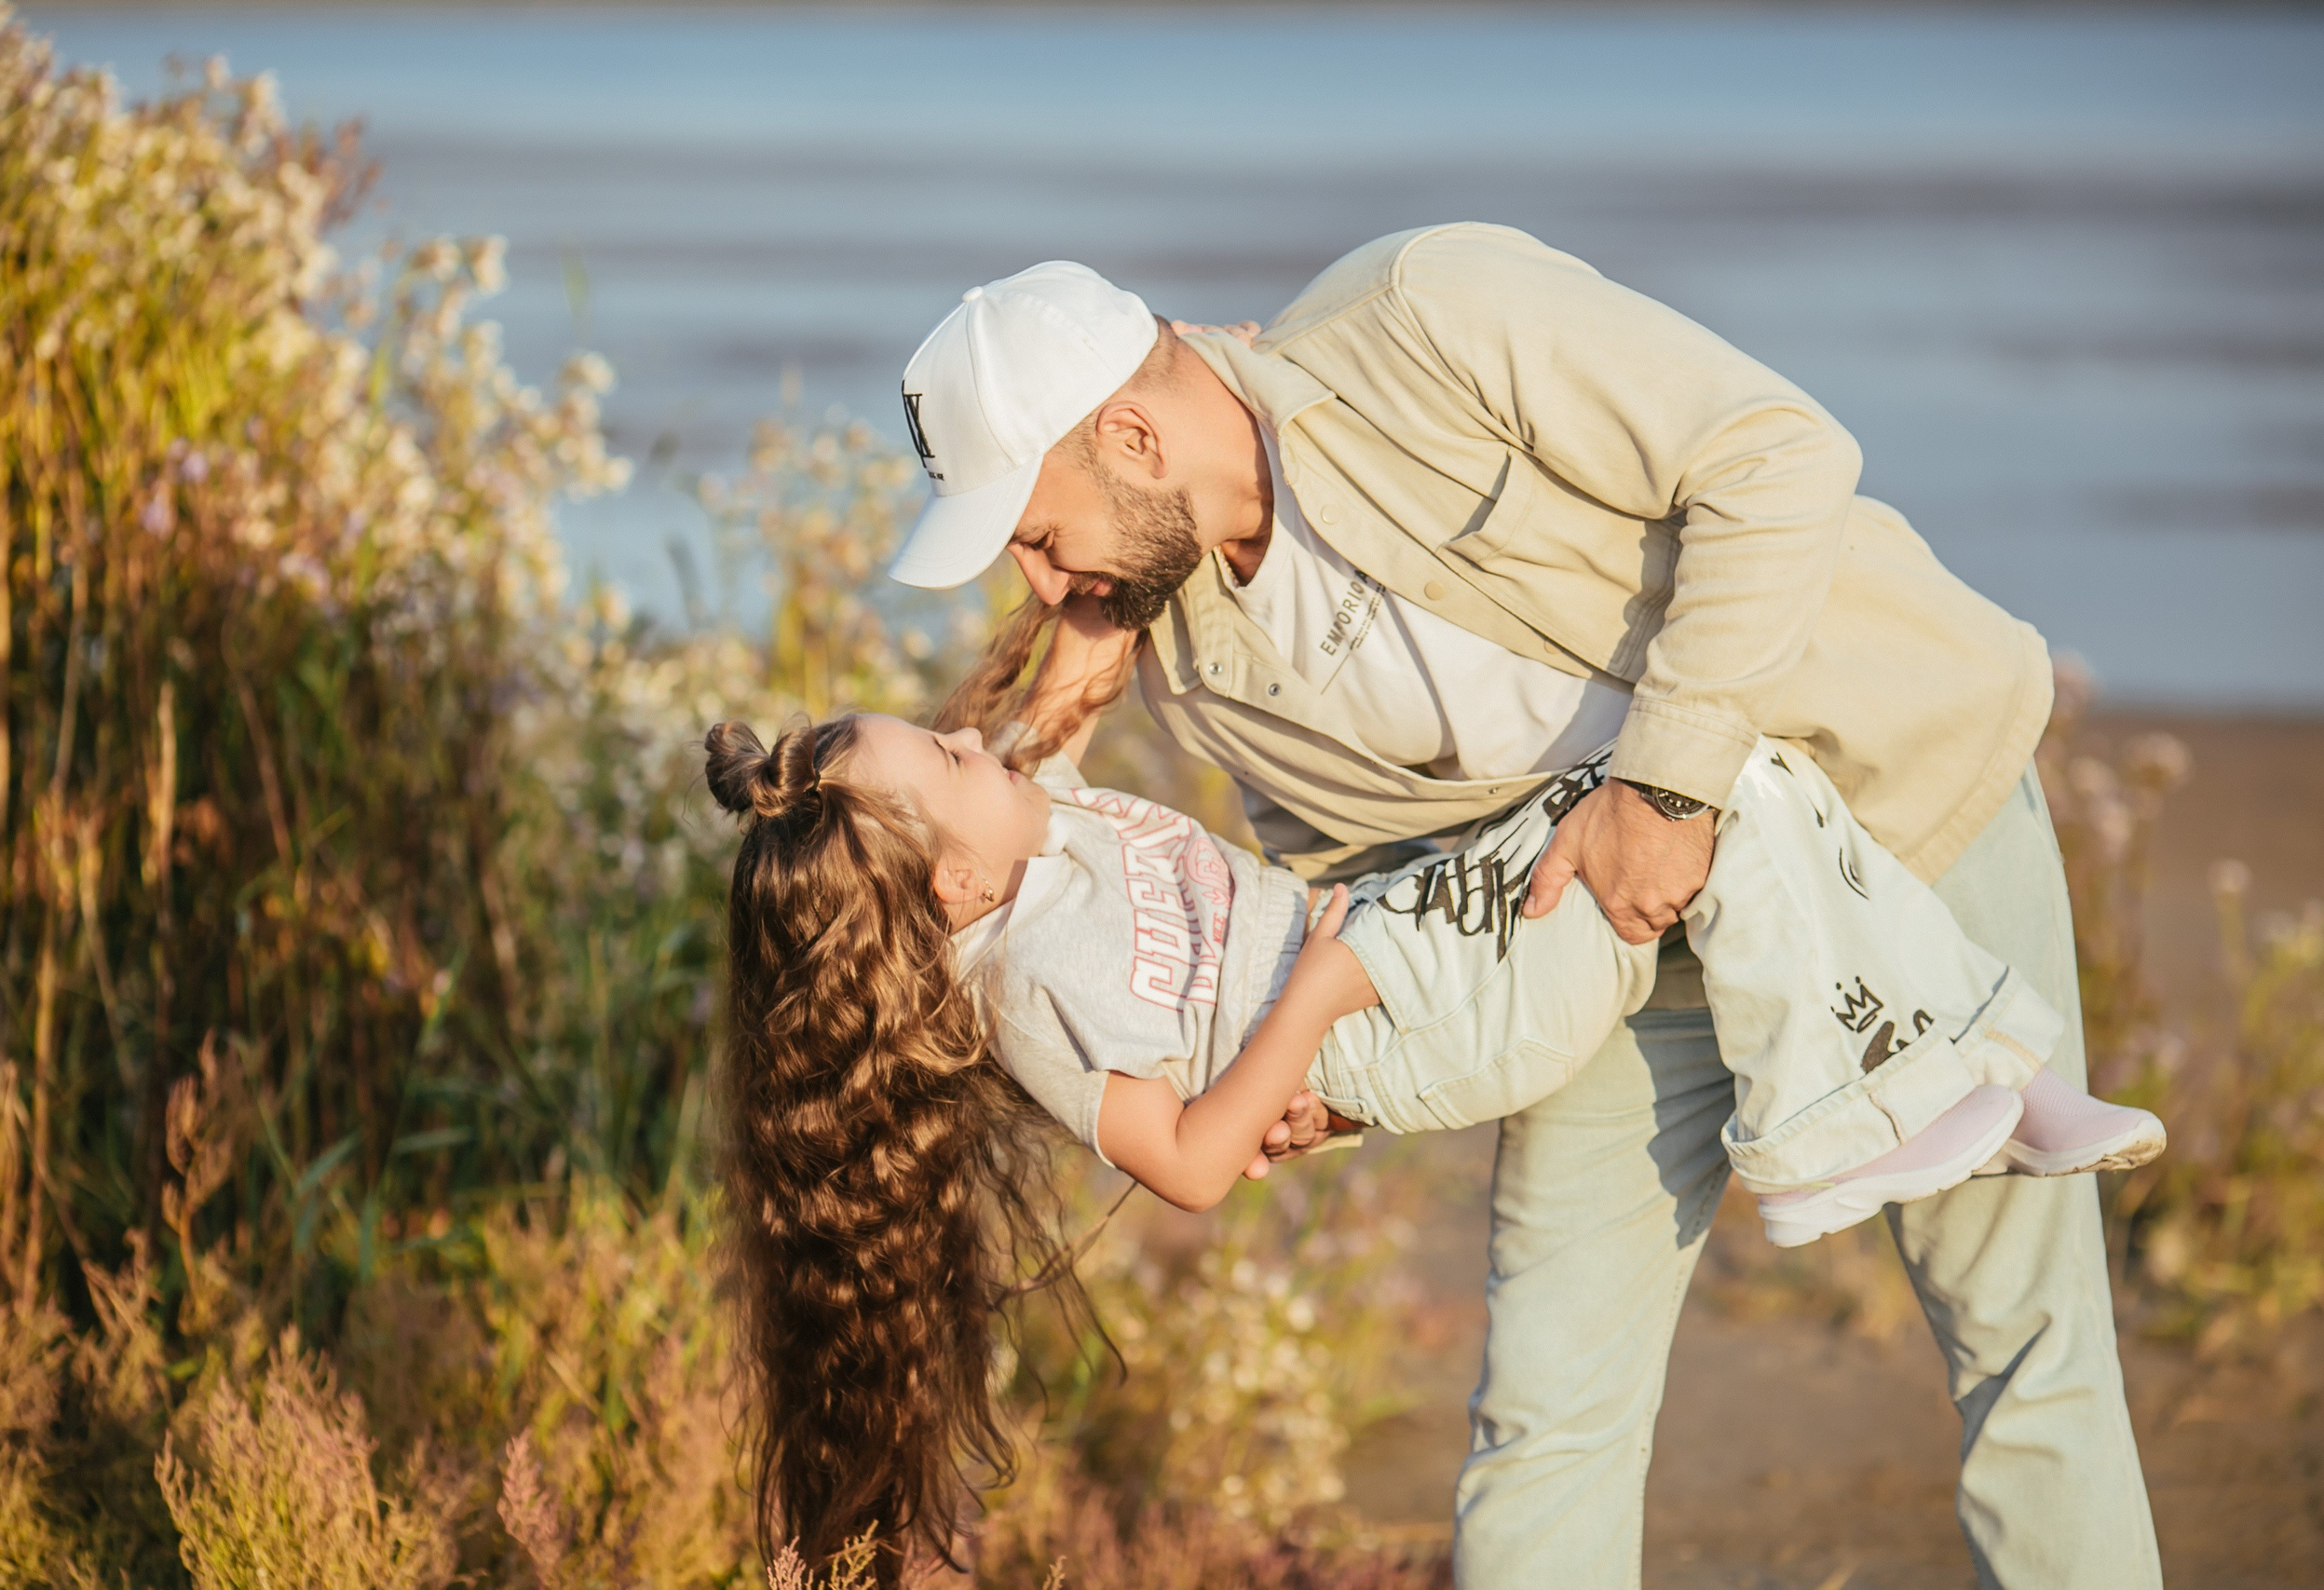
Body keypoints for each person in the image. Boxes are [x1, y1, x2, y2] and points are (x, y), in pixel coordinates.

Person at [883, 231, 2166, 1586]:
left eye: (1040, 536)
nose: (1045, 586)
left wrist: (1663, 793)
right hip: (1601, 949)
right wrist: (1316, 1078)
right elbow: (1370, 883)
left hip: (1892, 803)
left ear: (1134, 437)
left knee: (2026, 1348)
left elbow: (1777, 457)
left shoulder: (1425, 311)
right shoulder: (1197, 671)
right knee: (1547, 1417)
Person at [703, 686, 2162, 1581]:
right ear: (952, 893)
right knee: (1712, 781)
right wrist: (1314, 1000)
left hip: (1410, 944)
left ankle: (1958, 1075)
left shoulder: (1037, 833)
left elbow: (1056, 697)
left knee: (1738, 773)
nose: (974, 737)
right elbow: (1191, 1166)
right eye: (949, 758)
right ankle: (1838, 1119)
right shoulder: (1034, 989)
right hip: (1401, 1011)